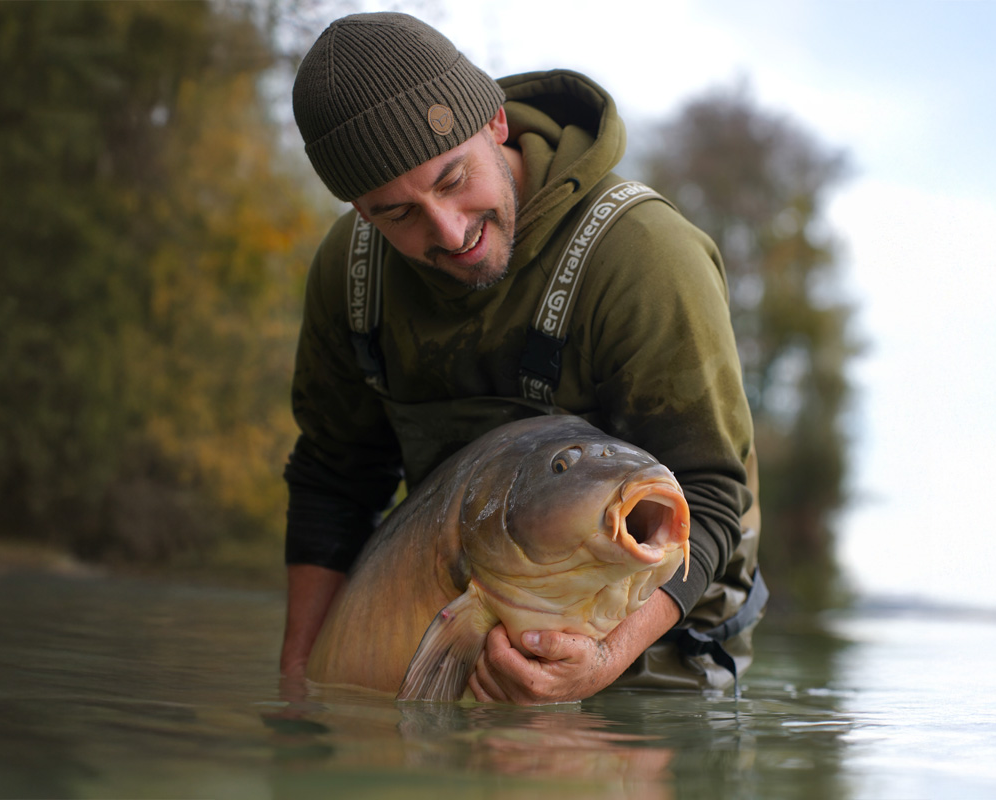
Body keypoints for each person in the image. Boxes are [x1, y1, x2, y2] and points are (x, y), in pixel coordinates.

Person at [280, 11, 765, 704]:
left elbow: (711, 498)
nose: (450, 232)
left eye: (453, 179)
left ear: (497, 124)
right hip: (460, 616)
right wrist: (296, 690)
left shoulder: (648, 259)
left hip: (657, 639)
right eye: (398, 213)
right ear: (362, 211)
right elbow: (334, 480)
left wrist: (600, 662)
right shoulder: (350, 272)